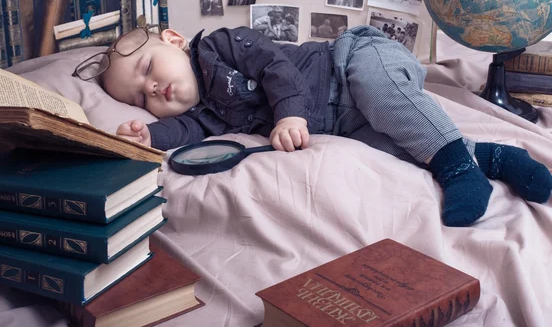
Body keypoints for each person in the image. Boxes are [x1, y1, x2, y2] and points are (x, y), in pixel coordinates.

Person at [81, 24, 552, 228]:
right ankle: (494, 157)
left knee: (384, 94)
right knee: (394, 143)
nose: (152, 90)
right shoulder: (205, 115)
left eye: (147, 69)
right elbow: (186, 136)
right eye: (141, 98)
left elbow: (273, 64)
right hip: (344, 120)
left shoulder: (220, 45)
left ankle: (459, 172)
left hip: (352, 62)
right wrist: (150, 136)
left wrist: (288, 113)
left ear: (175, 40)